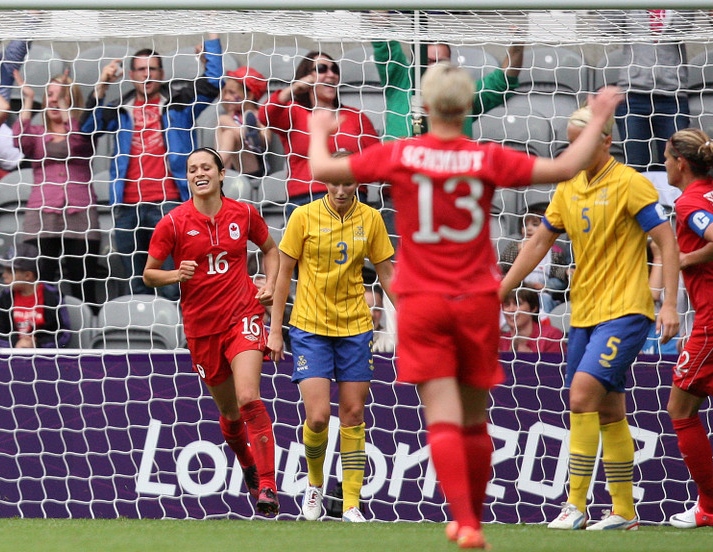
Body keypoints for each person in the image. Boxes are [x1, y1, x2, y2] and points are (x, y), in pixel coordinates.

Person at [305, 63, 625, 546]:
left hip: (423, 302)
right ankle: (470, 519)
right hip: (477, 299)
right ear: (470, 105)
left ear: (426, 107)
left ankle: (466, 523)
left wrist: (317, 128)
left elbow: (323, 170)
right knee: (476, 420)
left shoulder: (403, 153)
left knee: (442, 414)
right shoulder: (485, 157)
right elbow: (563, 168)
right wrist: (598, 117)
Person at [500, 104, 680, 531]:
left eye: (580, 139)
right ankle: (624, 512)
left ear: (606, 141)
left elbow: (666, 243)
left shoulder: (630, 185)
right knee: (608, 411)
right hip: (584, 312)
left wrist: (669, 304)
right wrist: (501, 288)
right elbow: (539, 242)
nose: (573, 147)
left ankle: (575, 505)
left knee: (580, 396)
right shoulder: (569, 187)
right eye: (568, 140)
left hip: (626, 310)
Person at [144, 147, 281, 516]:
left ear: (222, 174)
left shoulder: (245, 213)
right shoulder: (173, 222)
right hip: (202, 328)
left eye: (206, 167)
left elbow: (271, 250)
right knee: (230, 414)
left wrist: (269, 283)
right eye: (192, 170)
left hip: (243, 315)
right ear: (187, 178)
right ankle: (248, 464)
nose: (198, 173)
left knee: (249, 397)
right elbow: (149, 273)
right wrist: (176, 274)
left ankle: (267, 486)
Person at [267, 147, 396, 523]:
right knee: (320, 416)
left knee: (354, 414)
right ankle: (314, 486)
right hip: (309, 328)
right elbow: (283, 276)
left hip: (356, 327)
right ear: (323, 181)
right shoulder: (303, 216)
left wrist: (412, 320)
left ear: (358, 181)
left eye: (348, 182)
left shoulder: (371, 219)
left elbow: (387, 275)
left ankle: (352, 503)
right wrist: (275, 330)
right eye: (334, 182)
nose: (341, 189)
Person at [82, 34, 223, 298]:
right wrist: (101, 85)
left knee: (172, 285)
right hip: (127, 209)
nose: (146, 75)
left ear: (162, 73)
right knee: (135, 285)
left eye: (152, 69)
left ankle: (173, 338)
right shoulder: (118, 109)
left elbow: (214, 81)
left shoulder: (179, 104)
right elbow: (86, 130)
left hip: (169, 206)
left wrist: (212, 40)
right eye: (140, 69)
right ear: (131, 74)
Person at [14, 72, 107, 307]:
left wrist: (66, 106)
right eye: (50, 96)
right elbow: (19, 141)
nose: (54, 101)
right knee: (41, 282)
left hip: (81, 213)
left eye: (61, 95)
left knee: (83, 282)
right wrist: (28, 99)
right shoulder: (36, 134)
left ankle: (86, 337)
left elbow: (77, 141)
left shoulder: (85, 129)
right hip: (41, 214)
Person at [659, 128, 713, 528]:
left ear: (681, 162)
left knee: (680, 407)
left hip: (711, 323)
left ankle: (710, 508)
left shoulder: (690, 202)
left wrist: (685, 260)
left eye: (665, 157)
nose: (662, 164)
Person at [258, 52, 378, 213]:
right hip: (305, 199)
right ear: (307, 76)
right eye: (322, 69)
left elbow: (375, 158)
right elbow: (265, 115)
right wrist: (294, 88)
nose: (331, 74)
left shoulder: (356, 116)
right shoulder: (295, 112)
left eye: (334, 69)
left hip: (351, 198)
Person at [372, 38, 525, 140]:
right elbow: (382, 38)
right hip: (396, 181)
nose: (435, 68)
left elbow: (503, 80)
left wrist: (517, 47)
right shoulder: (399, 80)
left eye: (441, 62)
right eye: (429, 61)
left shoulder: (461, 94)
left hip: (449, 178)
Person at [601, 10, 693, 171]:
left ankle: (677, 198)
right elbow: (606, 28)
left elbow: (684, 28)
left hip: (672, 95)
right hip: (633, 94)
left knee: (678, 165)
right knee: (636, 166)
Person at [0, 245, 70, 349]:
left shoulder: (52, 296)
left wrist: (37, 344)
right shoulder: (5, 297)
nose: (4, 275)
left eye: (9, 271)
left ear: (28, 276)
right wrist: (16, 343)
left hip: (45, 358)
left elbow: (64, 334)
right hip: (12, 356)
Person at [498, 202, 571, 314]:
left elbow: (557, 273)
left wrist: (549, 284)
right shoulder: (515, 246)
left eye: (535, 224)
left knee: (544, 300)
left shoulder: (554, 250)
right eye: (525, 225)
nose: (528, 228)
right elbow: (504, 267)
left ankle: (542, 323)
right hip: (518, 290)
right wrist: (518, 250)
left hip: (541, 292)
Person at [217, 66, 269, 178]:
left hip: (253, 167)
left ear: (249, 95)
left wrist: (259, 136)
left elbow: (266, 141)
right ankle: (246, 133)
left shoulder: (260, 115)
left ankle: (214, 164)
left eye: (231, 93)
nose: (226, 97)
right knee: (224, 123)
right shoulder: (231, 115)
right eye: (225, 92)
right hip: (230, 166)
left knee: (227, 129)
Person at [499, 288, 565, 354]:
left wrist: (529, 354)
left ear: (533, 308)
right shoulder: (500, 340)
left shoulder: (551, 336)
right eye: (507, 305)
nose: (511, 310)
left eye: (518, 304)